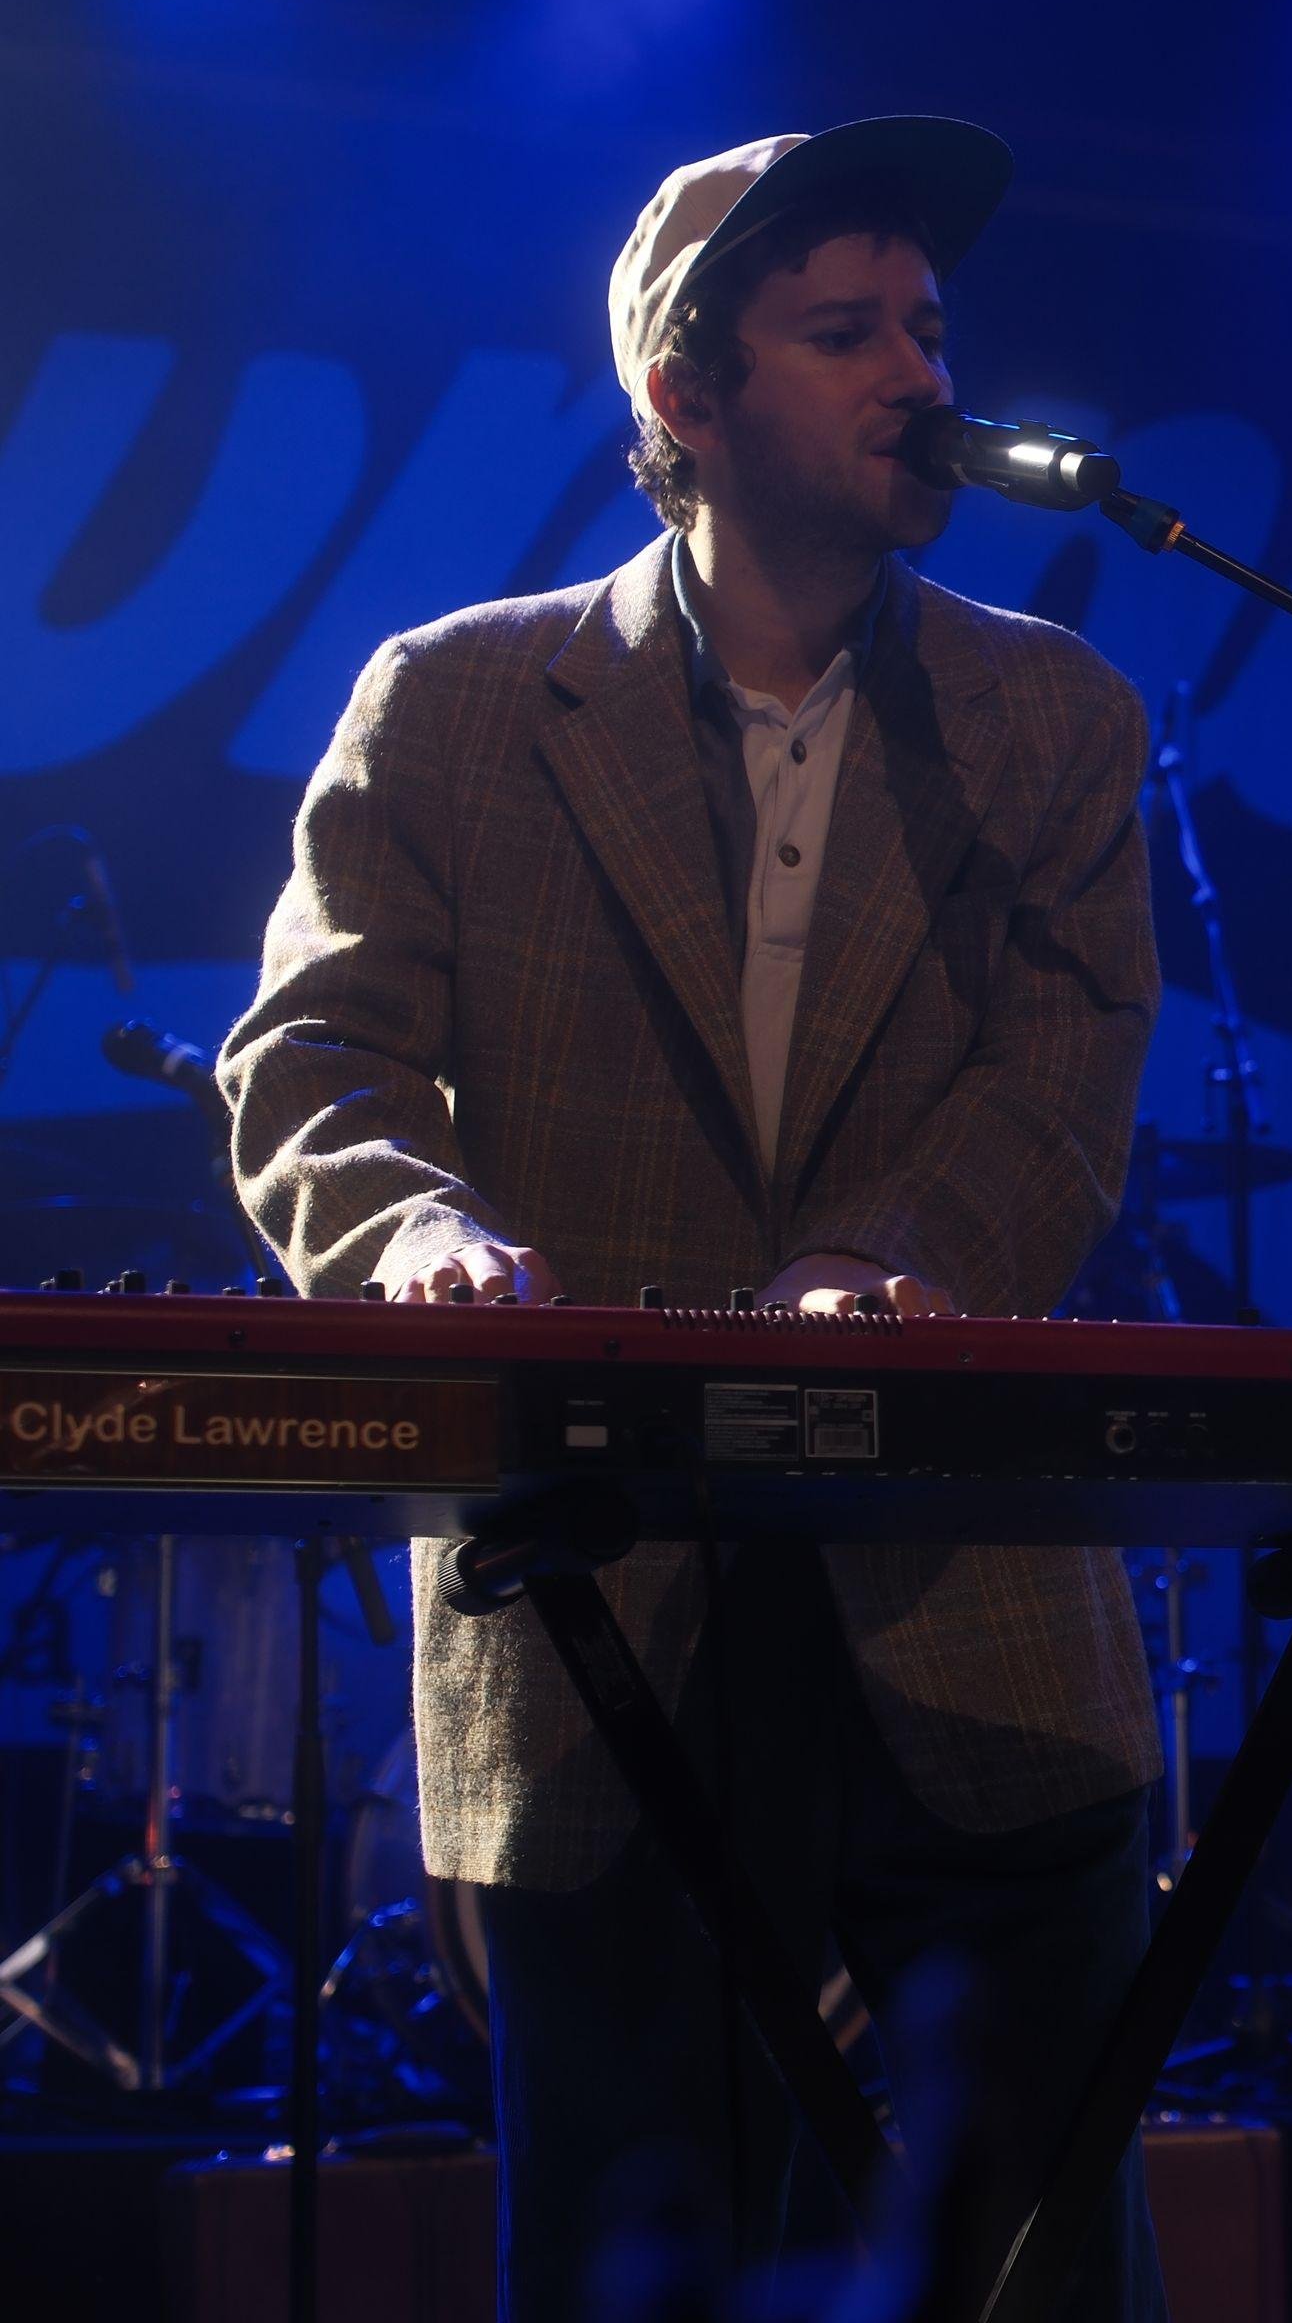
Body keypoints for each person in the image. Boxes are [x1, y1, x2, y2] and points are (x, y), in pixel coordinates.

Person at [220, 119, 1169, 2323]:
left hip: (967, 1613)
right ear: (685, 394)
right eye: (844, 334)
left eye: (926, 327)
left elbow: (1062, 1082)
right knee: (633, 2263)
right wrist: (413, 1238)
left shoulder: (1051, 711)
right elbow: (314, 1060)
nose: (916, 374)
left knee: (1039, 2273)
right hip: (598, 1609)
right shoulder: (455, 700)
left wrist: (896, 1269)